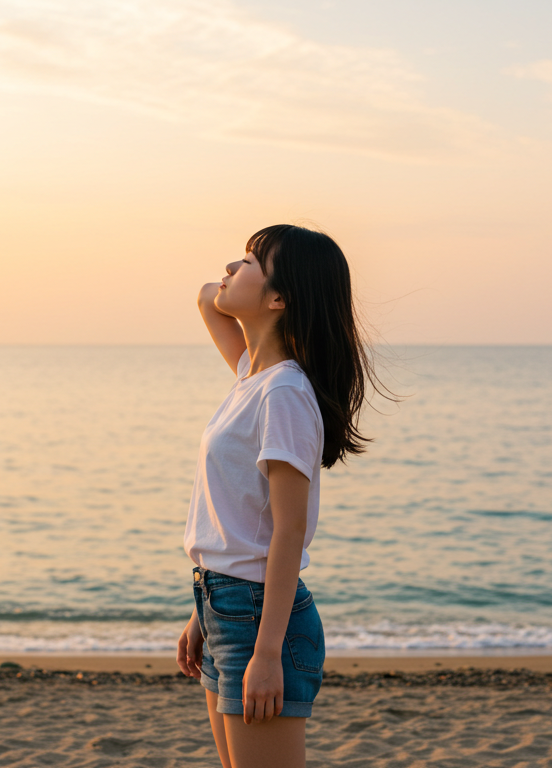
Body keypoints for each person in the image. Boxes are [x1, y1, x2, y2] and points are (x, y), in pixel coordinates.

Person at [176, 224, 386, 768]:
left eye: (247, 261)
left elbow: (290, 531)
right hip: (226, 603)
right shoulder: (252, 374)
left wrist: (267, 651)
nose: (228, 268)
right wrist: (204, 613)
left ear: (279, 297)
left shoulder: (286, 393)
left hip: (258, 619)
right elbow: (206, 297)